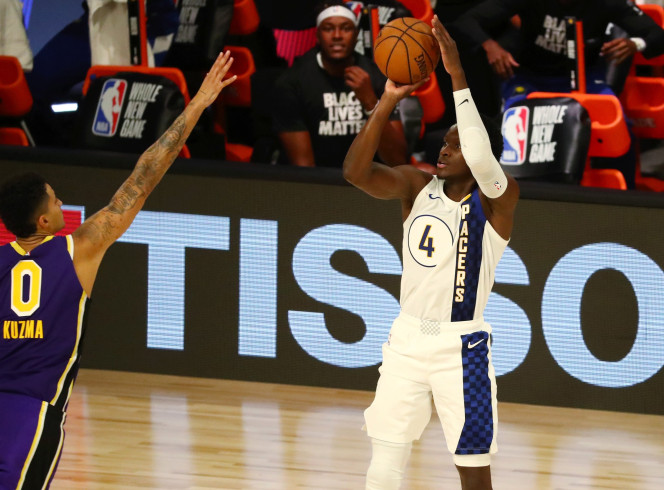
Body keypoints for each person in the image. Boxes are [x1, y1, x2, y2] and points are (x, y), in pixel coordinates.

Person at [0, 52, 236, 489]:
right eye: (54, 200)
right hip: (29, 416)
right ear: (42, 221)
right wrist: (197, 105)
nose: (59, 204)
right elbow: (144, 175)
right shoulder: (80, 249)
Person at [343, 16, 520, 490]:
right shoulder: (417, 186)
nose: (444, 151)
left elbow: (482, 157)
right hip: (405, 340)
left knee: (474, 474)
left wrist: (457, 72)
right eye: (444, 142)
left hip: (461, 349)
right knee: (383, 468)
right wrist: (387, 100)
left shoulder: (498, 200)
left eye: (455, 146)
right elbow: (356, 173)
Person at [452, 0, 664, 189]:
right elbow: (468, 20)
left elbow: (657, 35)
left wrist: (636, 44)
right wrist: (491, 47)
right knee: (510, 131)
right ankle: (501, 196)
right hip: (531, 77)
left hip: (585, 78)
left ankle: (625, 200)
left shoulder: (607, 3)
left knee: (620, 127)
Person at [272, 1, 407, 167]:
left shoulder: (377, 76)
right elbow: (304, 167)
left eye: (346, 28)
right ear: (318, 35)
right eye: (328, 28)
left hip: (370, 181)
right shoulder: (292, 83)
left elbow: (397, 160)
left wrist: (371, 103)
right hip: (320, 181)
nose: (337, 35)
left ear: (356, 35)